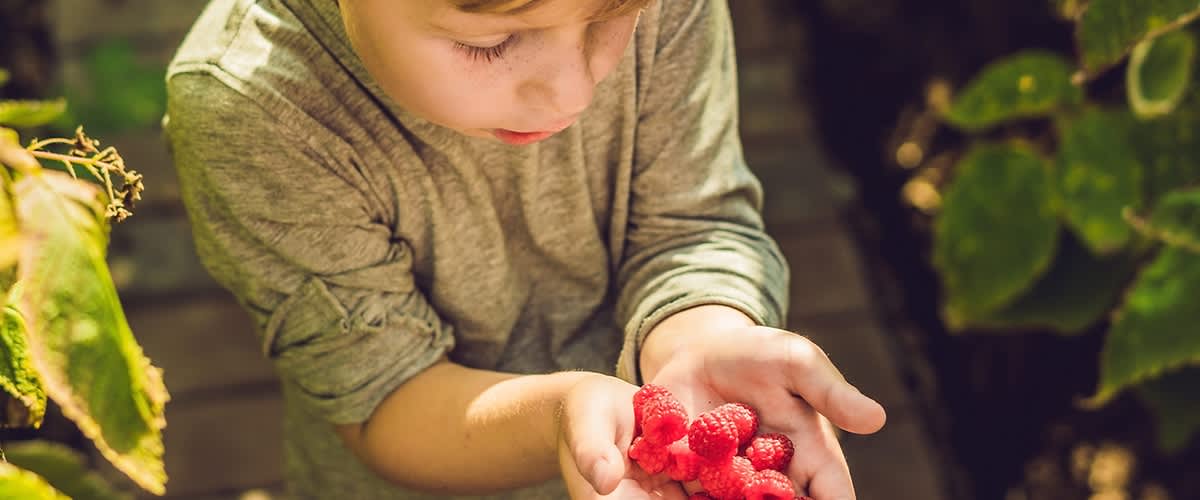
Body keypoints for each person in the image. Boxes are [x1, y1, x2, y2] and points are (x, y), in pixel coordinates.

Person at [164, 0, 888, 498]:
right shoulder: (252, 108)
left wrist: (704, 340)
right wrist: (562, 413)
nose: (568, 93)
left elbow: (692, 222)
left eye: (616, 18)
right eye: (489, 44)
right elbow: (381, 394)